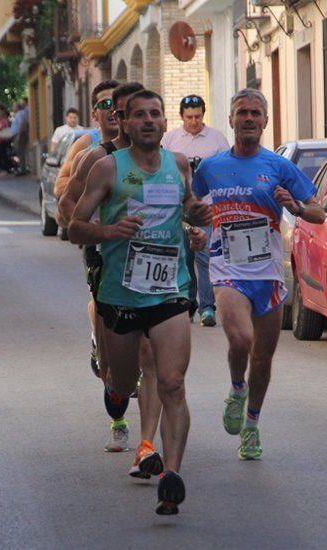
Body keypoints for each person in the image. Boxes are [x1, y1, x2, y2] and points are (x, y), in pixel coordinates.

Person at [68, 89, 211, 515]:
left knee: (171, 382)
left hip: (169, 290)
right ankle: (113, 386)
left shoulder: (178, 164)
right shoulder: (107, 168)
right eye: (139, 115)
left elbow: (187, 207)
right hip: (120, 294)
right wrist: (109, 233)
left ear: (165, 123)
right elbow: (75, 226)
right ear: (125, 123)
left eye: (155, 114)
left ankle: (172, 474)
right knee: (126, 383)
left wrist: (196, 222)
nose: (149, 120)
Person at [191, 88, 325, 461]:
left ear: (265, 121)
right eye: (241, 113)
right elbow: (191, 206)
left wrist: (294, 206)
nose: (248, 118)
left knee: (263, 360)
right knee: (241, 341)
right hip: (226, 268)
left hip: (267, 274)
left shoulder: (279, 167)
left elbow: (319, 213)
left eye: (255, 113)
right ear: (231, 120)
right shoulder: (210, 168)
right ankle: (237, 388)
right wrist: (196, 229)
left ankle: (251, 425)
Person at [59, 82, 147, 455]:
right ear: (98, 112)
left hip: (149, 258)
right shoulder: (90, 152)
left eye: (122, 104)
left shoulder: (156, 153)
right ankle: (117, 410)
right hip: (104, 255)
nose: (115, 111)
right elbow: (66, 202)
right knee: (114, 352)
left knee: (152, 347)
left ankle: (150, 440)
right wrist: (92, 231)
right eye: (107, 105)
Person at [161, 95, 230, 327]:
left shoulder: (217, 139)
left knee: (205, 257)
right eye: (189, 117)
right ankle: (188, 304)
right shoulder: (169, 140)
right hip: (179, 212)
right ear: (182, 116)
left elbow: (226, 171)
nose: (194, 121)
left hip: (207, 210)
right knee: (184, 258)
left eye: (198, 116)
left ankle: (207, 307)